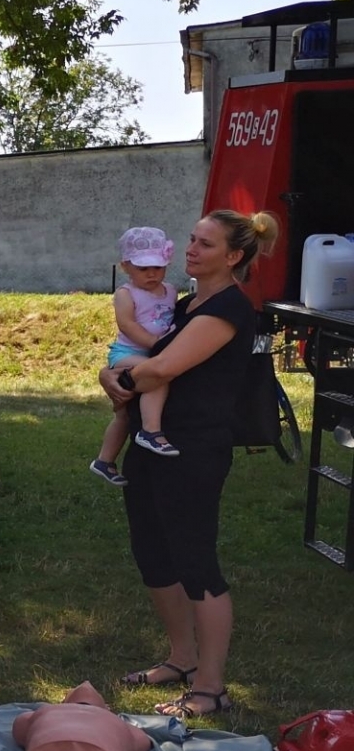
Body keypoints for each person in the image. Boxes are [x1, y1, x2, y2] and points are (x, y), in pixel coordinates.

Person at [99, 210, 277, 719]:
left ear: (234, 256)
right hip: (152, 445)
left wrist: (117, 381)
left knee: (196, 562)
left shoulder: (227, 310)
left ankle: (211, 685)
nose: (192, 249)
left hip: (193, 451)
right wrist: (111, 373)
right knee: (153, 554)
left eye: (206, 244)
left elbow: (162, 367)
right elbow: (139, 357)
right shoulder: (183, 303)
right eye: (192, 240)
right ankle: (182, 658)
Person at [93, 227, 181, 482]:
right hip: (127, 353)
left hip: (151, 353)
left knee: (122, 413)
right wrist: (156, 344)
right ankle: (150, 430)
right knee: (157, 376)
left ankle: (104, 461)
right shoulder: (126, 294)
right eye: (143, 268)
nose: (152, 273)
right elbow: (127, 325)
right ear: (125, 267)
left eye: (158, 267)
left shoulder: (171, 291)